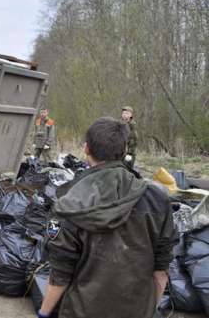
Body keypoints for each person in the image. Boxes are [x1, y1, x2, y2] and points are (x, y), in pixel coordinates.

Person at [37, 117, 176, 318]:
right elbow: (161, 269)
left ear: (86, 149)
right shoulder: (157, 199)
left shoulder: (69, 204)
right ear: (125, 150)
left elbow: (60, 273)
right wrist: (149, 310)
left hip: (81, 310)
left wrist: (44, 313)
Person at [121, 105, 138, 170]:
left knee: (128, 170)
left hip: (129, 154)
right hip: (121, 153)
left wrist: (129, 153)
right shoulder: (121, 124)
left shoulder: (132, 125)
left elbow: (134, 141)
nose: (124, 115)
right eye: (123, 113)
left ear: (131, 115)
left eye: (127, 113)